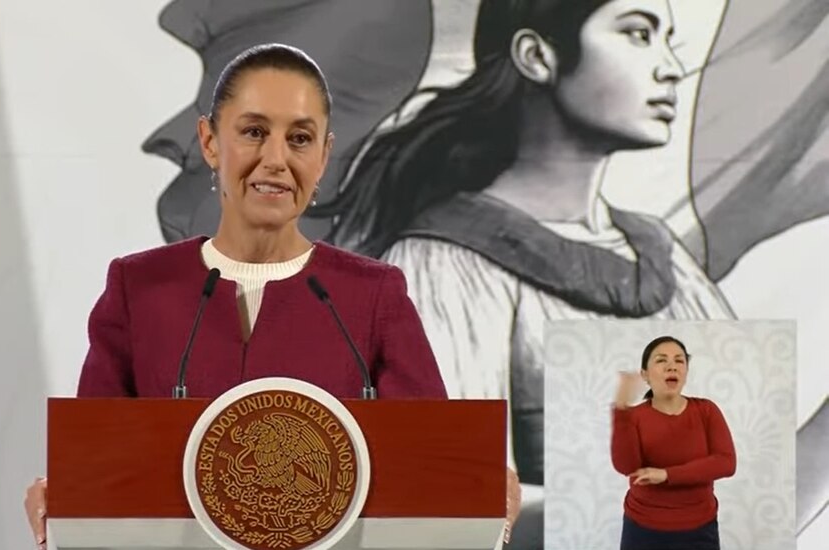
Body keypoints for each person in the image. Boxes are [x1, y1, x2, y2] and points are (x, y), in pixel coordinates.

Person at [22, 43, 522, 549]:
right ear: (211, 142)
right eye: (254, 132)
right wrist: (61, 505)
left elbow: (430, 479)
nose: (276, 159)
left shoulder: (372, 296)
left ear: (324, 155)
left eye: (300, 138)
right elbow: (95, 477)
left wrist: (484, 503)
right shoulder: (140, 289)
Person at [309, 1, 734, 547]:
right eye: (637, 33)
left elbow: (758, 483)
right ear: (536, 56)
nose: (672, 66)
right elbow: (451, 512)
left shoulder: (665, 256)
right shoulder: (442, 264)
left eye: (668, 38)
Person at [610, 336, 736, 550]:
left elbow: (726, 463)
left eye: (679, 361)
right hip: (642, 528)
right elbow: (626, 467)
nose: (672, 366)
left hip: (699, 528)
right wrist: (621, 408)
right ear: (645, 375)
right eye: (661, 360)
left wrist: (667, 475)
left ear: (686, 371)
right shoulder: (633, 416)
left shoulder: (706, 410)